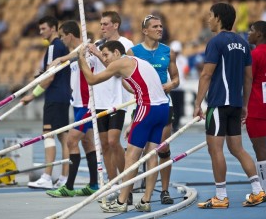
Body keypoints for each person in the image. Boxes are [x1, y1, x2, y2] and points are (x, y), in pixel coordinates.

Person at [78, 40, 169, 213]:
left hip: (148, 108)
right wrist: (99, 55)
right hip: (162, 109)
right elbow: (130, 86)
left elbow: (92, 79)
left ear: (117, 53)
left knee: (131, 157)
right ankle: (145, 200)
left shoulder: (121, 63)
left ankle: (121, 202)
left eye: (106, 55)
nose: (104, 59)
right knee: (151, 155)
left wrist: (81, 58)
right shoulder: (135, 62)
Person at [193, 3, 266, 209]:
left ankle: (221, 196)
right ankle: (257, 191)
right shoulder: (243, 43)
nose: (208, 20)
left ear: (218, 17)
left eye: (210, 16)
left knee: (215, 149)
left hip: (218, 104)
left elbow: (206, 74)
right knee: (237, 148)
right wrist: (244, 105)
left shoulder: (215, 42)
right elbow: (248, 78)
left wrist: (198, 103)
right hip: (235, 104)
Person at [126, 15, 179, 205]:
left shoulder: (168, 52)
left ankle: (164, 191)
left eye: (161, 26)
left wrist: (169, 86)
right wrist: (137, 90)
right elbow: (125, 80)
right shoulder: (133, 52)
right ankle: (128, 191)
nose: (160, 29)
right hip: (142, 105)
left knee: (161, 148)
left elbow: (176, 79)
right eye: (155, 26)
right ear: (145, 30)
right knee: (136, 150)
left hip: (164, 105)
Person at [46, 21, 99, 197]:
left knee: (71, 141)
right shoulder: (73, 55)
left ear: (69, 35)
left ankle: (68, 186)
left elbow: (82, 50)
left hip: (87, 105)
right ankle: (93, 185)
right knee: (87, 143)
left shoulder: (85, 49)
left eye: (61, 36)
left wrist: (59, 59)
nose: (60, 40)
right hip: (77, 104)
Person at [87, 11, 134, 203]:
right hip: (99, 101)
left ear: (115, 25)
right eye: (100, 24)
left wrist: (98, 54)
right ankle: (112, 183)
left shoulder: (126, 44)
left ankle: (126, 185)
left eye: (105, 24)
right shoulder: (97, 45)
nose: (102, 27)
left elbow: (120, 70)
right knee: (104, 145)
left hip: (118, 101)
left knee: (114, 142)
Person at [21, 16, 71, 189]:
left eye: (43, 29)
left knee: (48, 135)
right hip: (63, 96)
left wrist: (32, 95)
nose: (41, 32)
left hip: (55, 96)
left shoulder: (53, 46)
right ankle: (64, 178)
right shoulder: (60, 46)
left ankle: (47, 177)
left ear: (53, 29)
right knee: (63, 137)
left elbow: (49, 78)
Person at [246, 20, 266, 202]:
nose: (248, 34)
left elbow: (248, 81)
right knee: (261, 148)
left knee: (259, 149)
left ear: (259, 34)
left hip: (255, 107)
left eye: (251, 30)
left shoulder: (255, 54)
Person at [170, 40, 188, 132]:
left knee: (179, 108)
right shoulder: (169, 58)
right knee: (171, 107)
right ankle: (171, 124)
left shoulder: (183, 59)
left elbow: (185, 71)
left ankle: (176, 124)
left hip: (180, 87)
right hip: (171, 87)